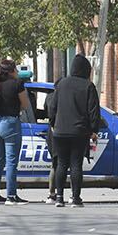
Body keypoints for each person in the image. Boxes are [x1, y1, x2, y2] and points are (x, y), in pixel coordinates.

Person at [47, 53, 103, 207]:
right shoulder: (88, 86)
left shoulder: (62, 84)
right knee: (76, 164)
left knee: (61, 164)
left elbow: (52, 106)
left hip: (59, 131)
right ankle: (76, 198)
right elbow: (93, 111)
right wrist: (94, 130)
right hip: (79, 131)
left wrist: (53, 123)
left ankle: (59, 198)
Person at [0, 58, 30, 205]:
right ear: (11, 71)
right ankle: (11, 196)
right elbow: (25, 105)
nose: (18, 72)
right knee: (12, 162)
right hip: (10, 123)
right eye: (16, 69)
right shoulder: (18, 84)